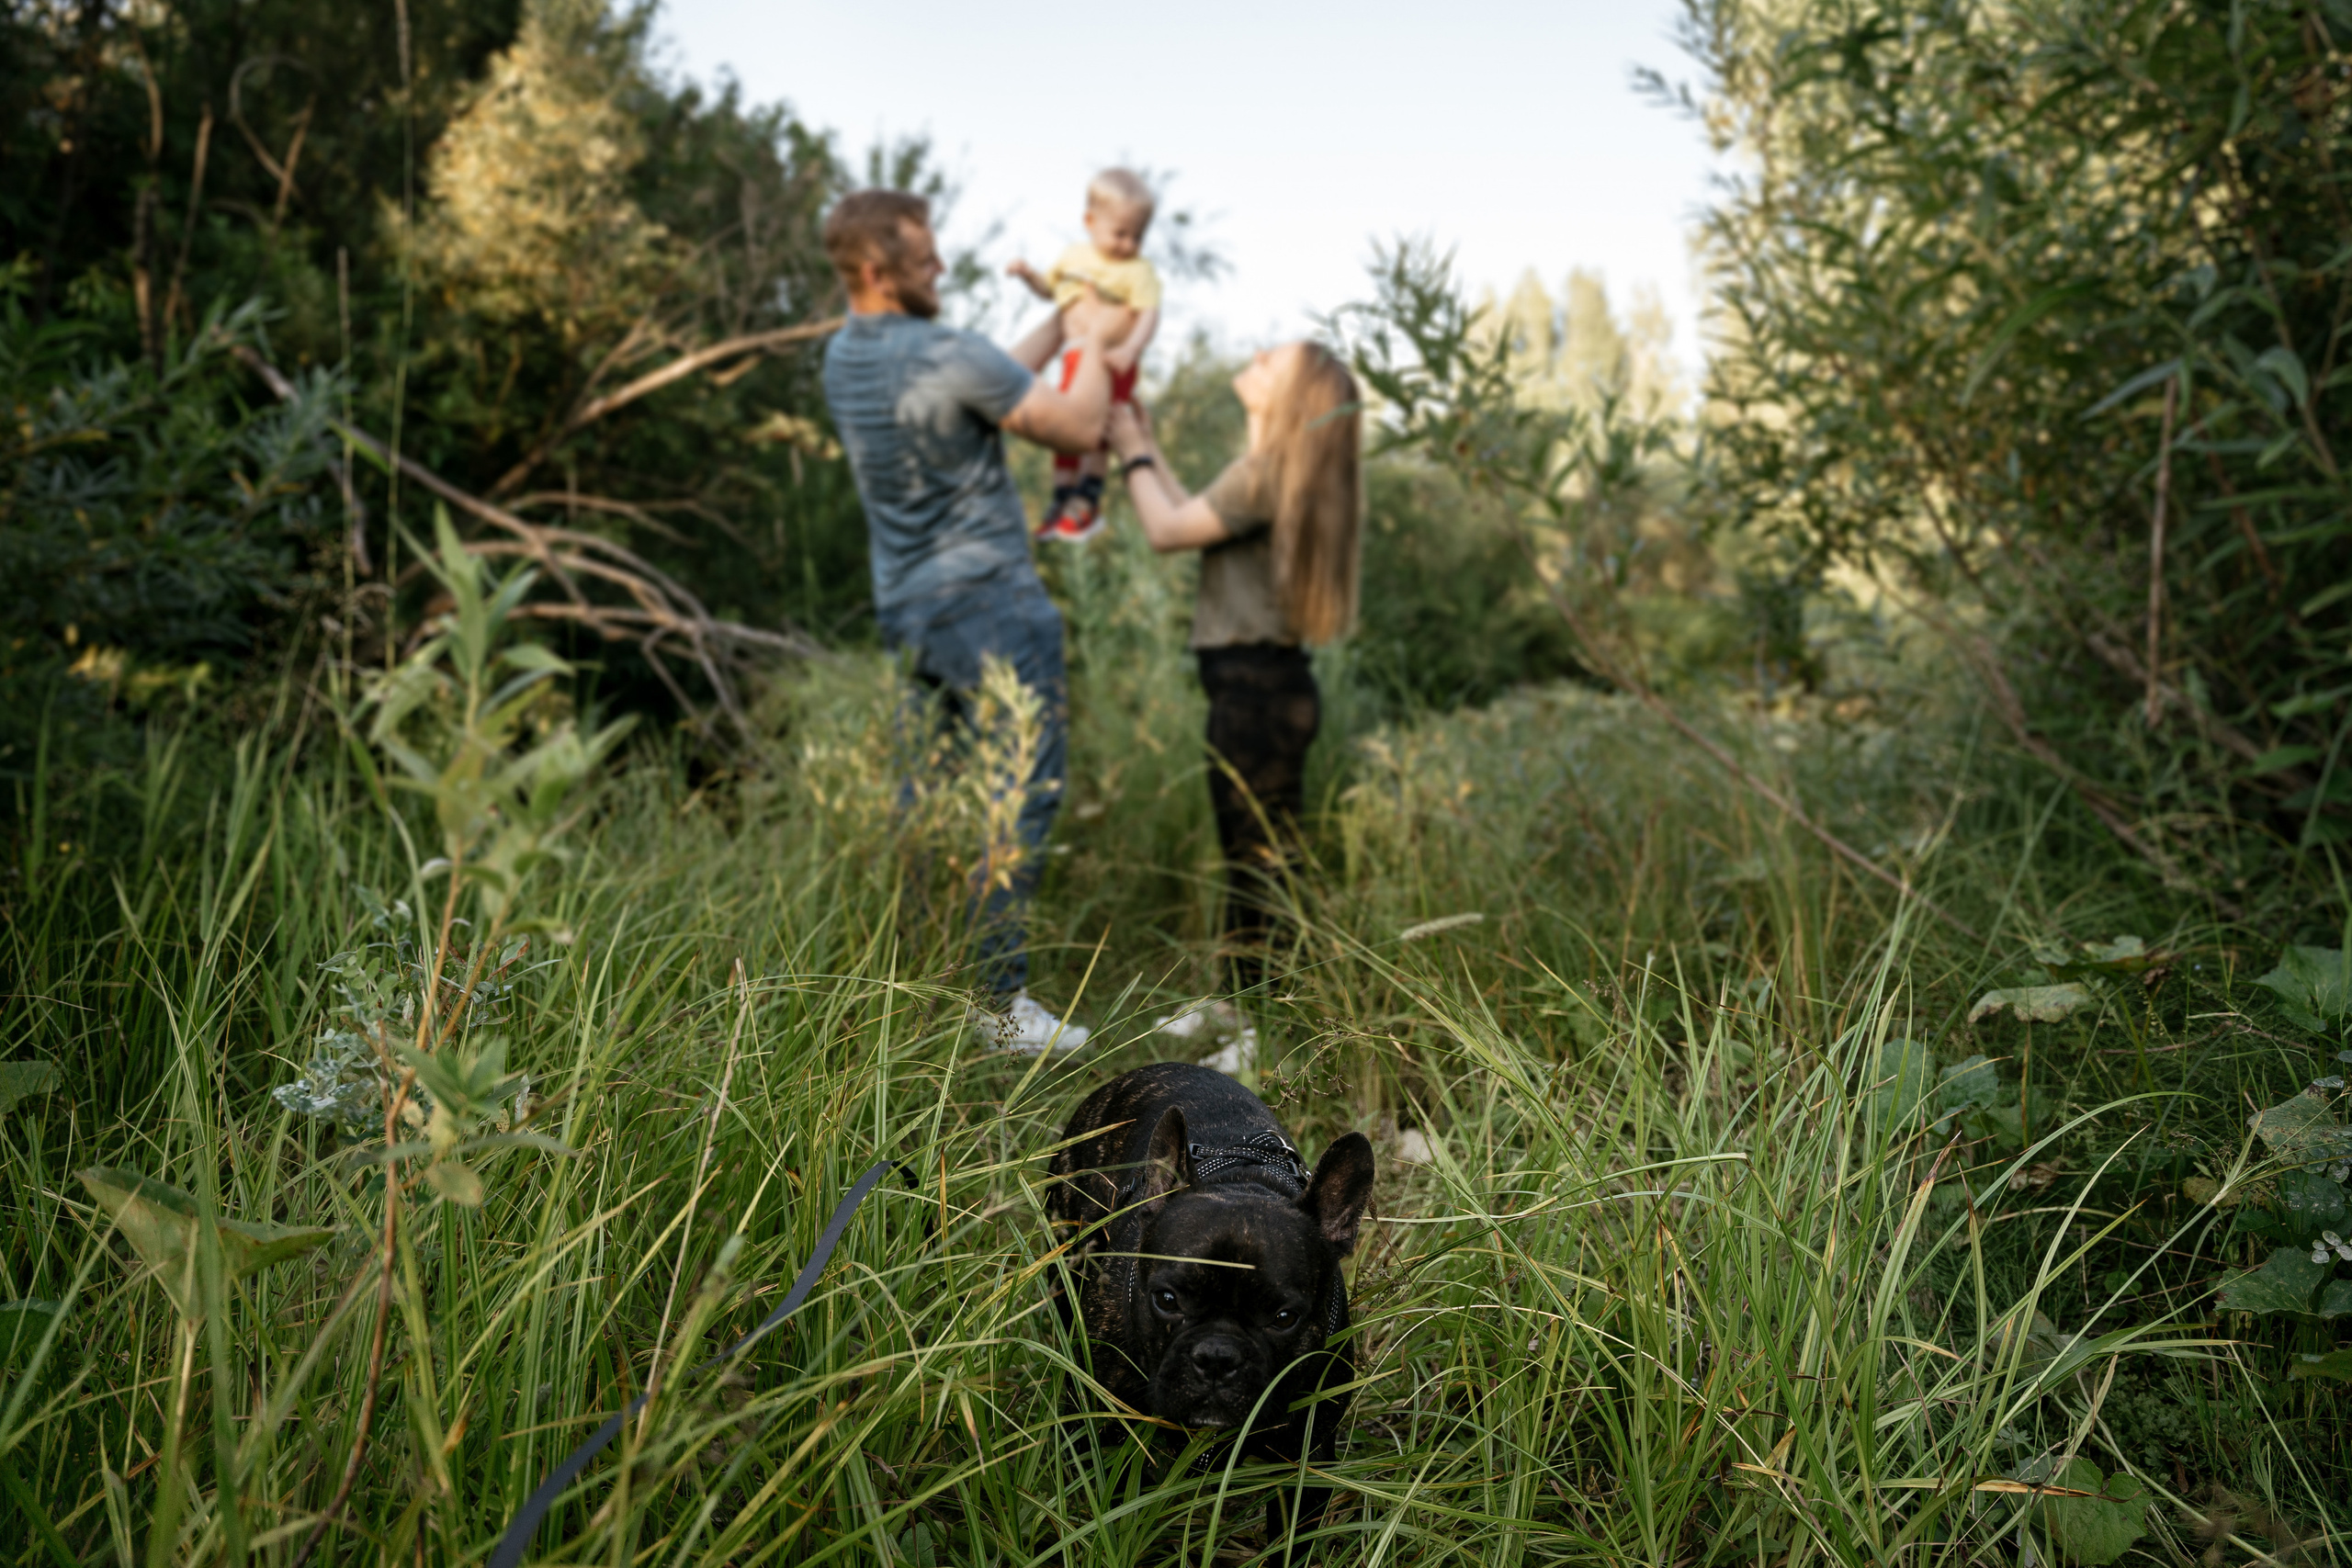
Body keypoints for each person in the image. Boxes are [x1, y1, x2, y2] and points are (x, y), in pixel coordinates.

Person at [819, 188, 1116, 1053]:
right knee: (1017, 793)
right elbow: (1078, 422)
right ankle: (998, 1005)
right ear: (877, 271)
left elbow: (987, 383)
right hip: (990, 602)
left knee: (929, 803)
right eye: (923, 259)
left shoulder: (845, 357)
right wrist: (1096, 340)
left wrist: (1059, 322)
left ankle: (929, 995)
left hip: (910, 610)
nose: (941, 267)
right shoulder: (948, 352)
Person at [1107, 341, 1363, 1013]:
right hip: (1266, 689)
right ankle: (1236, 1004)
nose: (1257, 354)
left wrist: (1131, 451)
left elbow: (1166, 530)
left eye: (1272, 360)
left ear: (1291, 397)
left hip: (1256, 694)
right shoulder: (1273, 473)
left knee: (1259, 859)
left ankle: (1261, 1019)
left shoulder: (1264, 475)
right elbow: (1193, 513)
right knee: (1249, 851)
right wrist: (1148, 447)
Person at [1006, 168, 1162, 543]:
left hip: (1112, 358)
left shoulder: (1138, 271)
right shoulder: (1073, 257)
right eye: (1120, 234)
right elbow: (1050, 290)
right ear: (1090, 221)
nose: (1129, 244)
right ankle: (1062, 496)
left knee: (1098, 426)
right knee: (1065, 426)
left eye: (1138, 236)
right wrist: (1028, 275)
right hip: (1074, 353)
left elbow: (1148, 314)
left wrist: (1131, 348)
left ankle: (1088, 495)